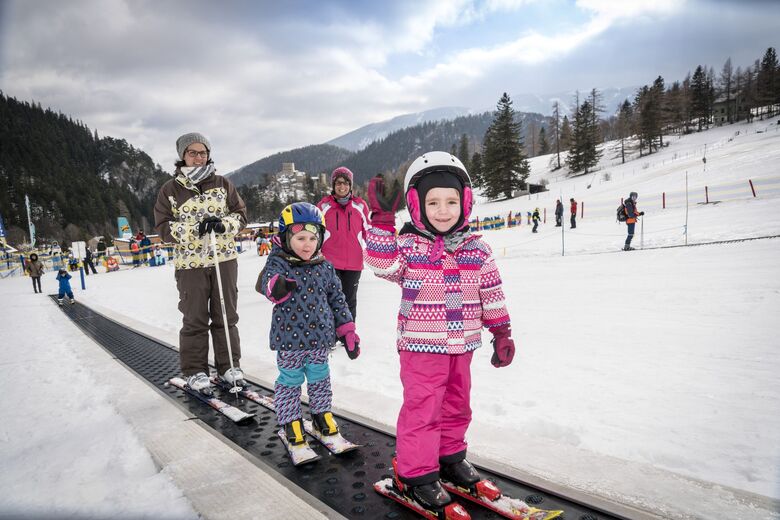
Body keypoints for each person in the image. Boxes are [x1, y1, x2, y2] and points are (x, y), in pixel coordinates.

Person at [363, 151, 515, 510]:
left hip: (462, 346)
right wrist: (383, 221)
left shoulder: (477, 249)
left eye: (451, 201)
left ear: (465, 202)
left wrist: (502, 331)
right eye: (433, 202)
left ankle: (449, 459)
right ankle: (415, 474)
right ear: (416, 205)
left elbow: (491, 291)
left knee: (457, 405)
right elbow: (380, 265)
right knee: (423, 409)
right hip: (420, 346)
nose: (443, 210)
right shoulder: (409, 247)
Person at [257, 202, 359, 445]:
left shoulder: (324, 266)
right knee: (290, 380)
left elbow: (338, 300)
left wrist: (347, 329)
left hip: (320, 338)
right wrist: (276, 286)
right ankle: (291, 419)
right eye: (301, 238)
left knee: (320, 378)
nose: (307, 244)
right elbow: (266, 282)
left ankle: (321, 413)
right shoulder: (279, 262)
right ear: (286, 237)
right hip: (290, 339)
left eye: (313, 238)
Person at [154, 132, 248, 395]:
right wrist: (195, 229)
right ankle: (195, 371)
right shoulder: (170, 190)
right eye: (192, 152)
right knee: (194, 317)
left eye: (202, 152)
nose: (198, 157)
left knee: (226, 315)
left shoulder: (222, 183)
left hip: (223, 260)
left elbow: (240, 216)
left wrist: (222, 224)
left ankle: (229, 366)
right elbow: (163, 228)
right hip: (190, 265)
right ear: (183, 155)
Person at [317, 167, 374, 322]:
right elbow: (315, 234)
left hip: (353, 264)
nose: (342, 187)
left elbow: (368, 231)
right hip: (329, 263)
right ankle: (331, 335)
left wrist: (378, 251)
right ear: (333, 186)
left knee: (349, 301)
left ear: (350, 185)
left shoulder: (360, 206)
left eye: (345, 183)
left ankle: (348, 335)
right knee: (330, 300)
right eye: (338, 183)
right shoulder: (323, 206)